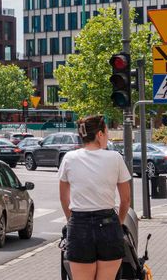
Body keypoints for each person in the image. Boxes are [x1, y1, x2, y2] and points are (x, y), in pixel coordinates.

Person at [58, 115, 132, 280]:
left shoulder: (69, 158)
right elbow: (126, 200)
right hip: (108, 225)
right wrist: (118, 223)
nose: (107, 136)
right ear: (99, 134)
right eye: (106, 132)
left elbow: (64, 198)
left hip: (79, 225)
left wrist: (73, 221)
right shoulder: (115, 158)